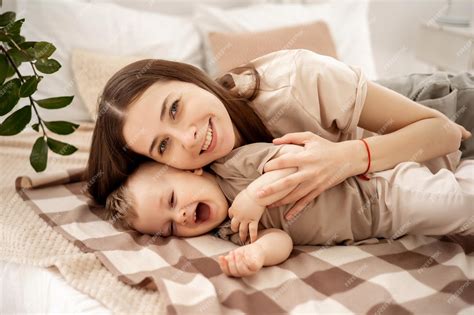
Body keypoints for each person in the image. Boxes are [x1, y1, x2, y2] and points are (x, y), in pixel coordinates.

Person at [86, 49, 472, 219]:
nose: (186, 138)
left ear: (191, 77)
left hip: (443, 106)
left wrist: (343, 159)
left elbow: (444, 132)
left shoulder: (294, 81)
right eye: (163, 145)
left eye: (174, 108)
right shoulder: (206, 173)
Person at [105, 142, 474, 278]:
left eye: (172, 201)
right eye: (170, 228)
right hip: (385, 223)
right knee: (454, 206)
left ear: (191, 170)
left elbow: (292, 160)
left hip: (379, 191)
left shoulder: (236, 166)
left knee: (461, 204)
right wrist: (259, 253)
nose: (181, 217)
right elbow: (279, 238)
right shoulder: (228, 230)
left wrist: (256, 195)